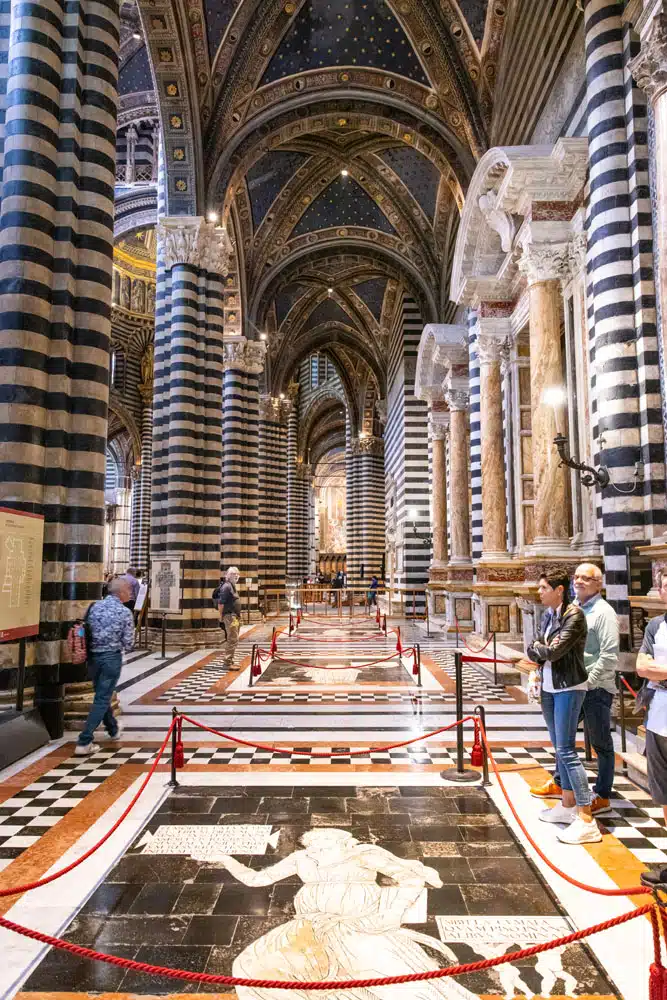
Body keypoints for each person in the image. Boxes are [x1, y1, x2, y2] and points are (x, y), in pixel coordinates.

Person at [198, 828, 477, 1000]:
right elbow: (258, 880)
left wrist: (391, 914)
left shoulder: (362, 854)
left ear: (342, 842)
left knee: (391, 983)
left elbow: (410, 877)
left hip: (357, 927)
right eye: (312, 844)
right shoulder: (302, 859)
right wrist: (227, 861)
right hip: (308, 927)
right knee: (251, 967)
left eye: (324, 843)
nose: (316, 847)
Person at [531, 563, 619, 815]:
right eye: (577, 577)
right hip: (569, 683)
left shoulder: (604, 612)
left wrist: (587, 682)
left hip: (594, 685)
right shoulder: (571, 610)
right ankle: (563, 786)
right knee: (562, 741)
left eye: (586, 578)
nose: (579, 581)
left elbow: (609, 655)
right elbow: (541, 645)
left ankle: (601, 794)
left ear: (598, 583)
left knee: (600, 743)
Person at [527, 572, 600, 844]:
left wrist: (540, 648)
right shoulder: (548, 615)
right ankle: (567, 803)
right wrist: (539, 647)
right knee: (558, 747)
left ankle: (585, 817)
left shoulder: (574, 616)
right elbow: (532, 647)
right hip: (549, 685)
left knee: (567, 750)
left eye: (544, 587)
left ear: (559, 590)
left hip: (569, 686)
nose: (540, 592)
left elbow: (554, 652)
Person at [75, 577, 134, 756]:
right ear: (121, 593)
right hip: (111, 659)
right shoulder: (124, 613)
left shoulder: (94, 606)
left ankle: (113, 729)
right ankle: (84, 740)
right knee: (102, 698)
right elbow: (129, 643)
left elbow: (82, 629)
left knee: (102, 694)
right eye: (129, 591)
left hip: (93, 658)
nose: (130, 594)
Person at [636, 570, 667, 832]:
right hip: (658, 718)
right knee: (664, 792)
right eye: (665, 586)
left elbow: (651, 668)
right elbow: (641, 667)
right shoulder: (655, 626)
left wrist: (659, 671)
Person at [218, 565, 242, 670]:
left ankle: (230, 660)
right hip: (230, 616)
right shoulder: (227, 586)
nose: (236, 576)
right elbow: (221, 603)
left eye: (237, 574)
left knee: (234, 638)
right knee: (232, 638)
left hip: (234, 617)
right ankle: (227, 663)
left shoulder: (232, 586)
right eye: (233, 574)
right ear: (227, 575)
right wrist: (221, 616)